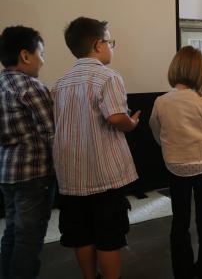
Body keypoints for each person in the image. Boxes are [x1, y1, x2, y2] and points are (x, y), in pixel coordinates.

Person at [52, 17, 140, 279]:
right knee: (109, 236)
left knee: (81, 233)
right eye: (110, 41)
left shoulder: (60, 83)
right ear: (97, 44)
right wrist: (132, 123)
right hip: (103, 175)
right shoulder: (108, 77)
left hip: (71, 173)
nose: (112, 47)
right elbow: (115, 117)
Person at [149, 46, 202, 279]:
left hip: (175, 166)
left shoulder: (161, 102)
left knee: (179, 219)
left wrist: (168, 146)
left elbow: (155, 130)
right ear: (200, 71)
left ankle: (181, 270)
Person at [0, 26, 56, 279]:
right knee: (29, 241)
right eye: (41, 54)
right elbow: (52, 133)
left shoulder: (1, 83)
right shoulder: (32, 87)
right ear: (25, 55)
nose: (42, 61)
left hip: (7, 173)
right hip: (34, 175)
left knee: (11, 232)